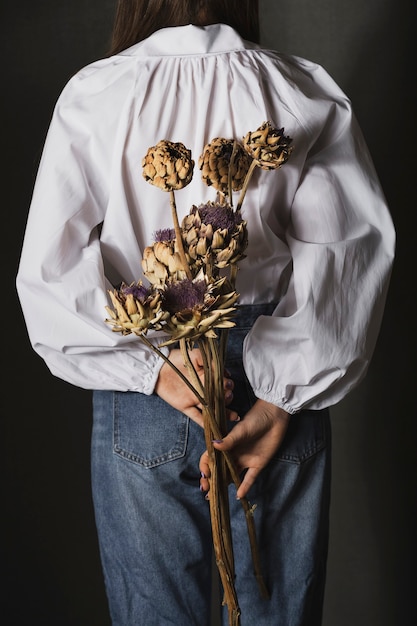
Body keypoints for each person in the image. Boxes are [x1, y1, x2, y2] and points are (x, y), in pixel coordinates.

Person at [16, 1, 395, 624]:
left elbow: (50, 271)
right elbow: (350, 253)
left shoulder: (99, 92)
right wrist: (278, 398)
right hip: (277, 382)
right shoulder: (300, 90)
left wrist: (156, 370)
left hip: (150, 378)